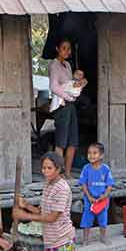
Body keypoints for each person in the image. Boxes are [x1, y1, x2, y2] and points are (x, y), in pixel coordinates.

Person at [48, 38, 87, 178]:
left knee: (72, 141)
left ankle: (68, 174)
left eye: (69, 49)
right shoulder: (54, 65)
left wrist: (79, 83)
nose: (67, 51)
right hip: (62, 105)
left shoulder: (68, 66)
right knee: (61, 142)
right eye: (64, 48)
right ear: (57, 49)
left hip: (70, 105)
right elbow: (54, 87)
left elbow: (70, 84)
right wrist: (69, 97)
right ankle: (57, 175)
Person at [79, 142, 114, 245]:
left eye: (95, 153)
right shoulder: (86, 168)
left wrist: (104, 196)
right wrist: (89, 196)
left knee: (103, 219)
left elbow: (109, 185)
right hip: (89, 200)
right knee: (87, 219)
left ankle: (103, 237)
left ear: (101, 155)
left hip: (102, 200)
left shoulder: (106, 169)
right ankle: (85, 239)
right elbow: (83, 184)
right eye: (89, 153)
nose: (91, 155)